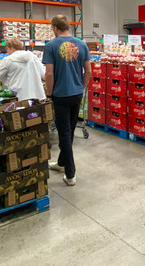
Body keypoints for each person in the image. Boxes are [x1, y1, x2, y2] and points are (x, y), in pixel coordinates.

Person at [43, 15, 91, 187]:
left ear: (55, 28)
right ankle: (61, 163)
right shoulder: (82, 44)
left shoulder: (51, 46)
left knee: (64, 133)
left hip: (60, 95)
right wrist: (83, 88)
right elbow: (88, 71)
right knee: (69, 131)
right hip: (77, 93)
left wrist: (49, 95)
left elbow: (49, 74)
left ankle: (70, 174)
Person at [0, 37, 46, 101]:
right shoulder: (33, 57)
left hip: (19, 98)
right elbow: (44, 75)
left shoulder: (8, 60)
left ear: (11, 47)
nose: (7, 52)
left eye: (7, 49)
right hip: (37, 97)